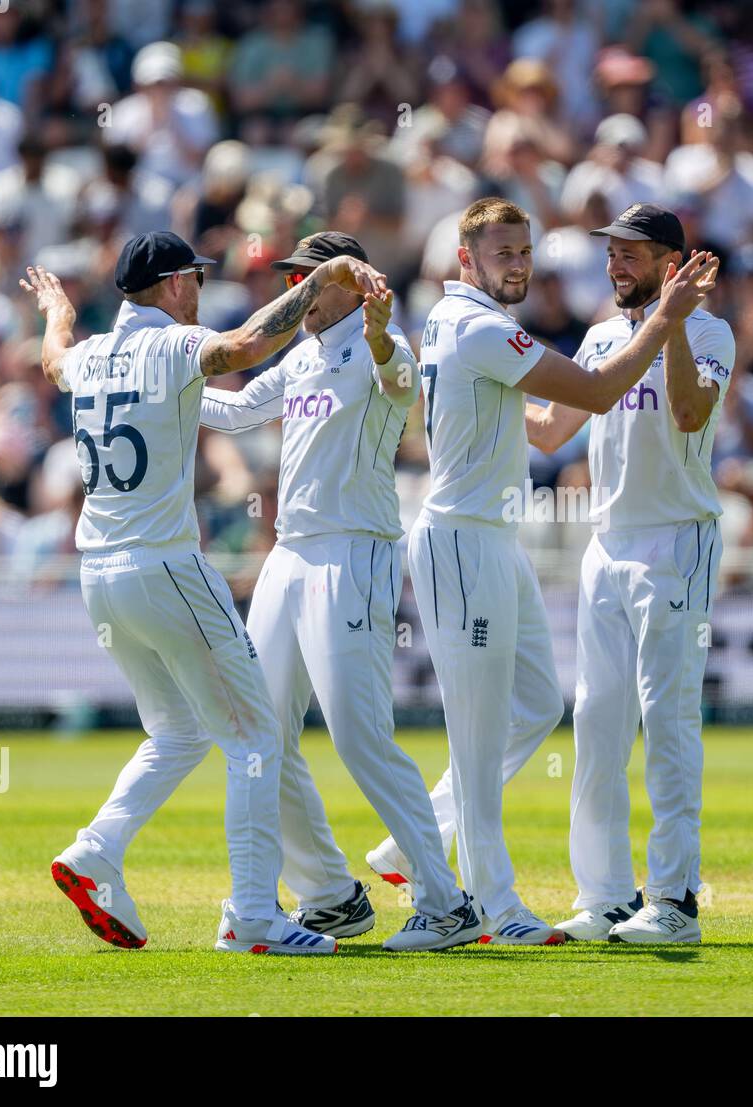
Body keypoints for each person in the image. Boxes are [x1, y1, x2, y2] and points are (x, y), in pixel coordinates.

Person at [22, 230, 387, 955]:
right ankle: (253, 914)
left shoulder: (89, 353)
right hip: (164, 566)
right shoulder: (169, 346)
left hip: (98, 576)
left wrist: (55, 310)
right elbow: (249, 346)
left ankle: (96, 850)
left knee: (182, 731)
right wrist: (325, 279)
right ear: (172, 285)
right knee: (255, 736)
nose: (201, 289)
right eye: (194, 277)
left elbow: (53, 358)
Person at [372, 197, 716, 944]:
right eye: (503, 254)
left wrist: (674, 322)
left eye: (525, 252)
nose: (520, 265)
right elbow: (587, 397)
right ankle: (488, 905)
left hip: (583, 540)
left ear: (669, 261)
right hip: (473, 539)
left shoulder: (468, 325)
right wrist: (666, 318)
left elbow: (557, 421)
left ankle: (422, 838)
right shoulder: (486, 325)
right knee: (489, 729)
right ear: (465, 260)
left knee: (543, 707)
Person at [197, 232, 482, 952]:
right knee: (257, 734)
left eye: (306, 279)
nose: (294, 293)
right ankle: (329, 893)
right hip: (289, 555)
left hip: (353, 554)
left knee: (359, 737)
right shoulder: (302, 353)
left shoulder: (381, 343)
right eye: (291, 278)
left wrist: (384, 337)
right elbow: (232, 413)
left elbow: (400, 384)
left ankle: (446, 902)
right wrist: (151, 386)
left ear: (348, 286)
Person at [526, 203, 735, 942]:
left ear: (669, 263)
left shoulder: (710, 331)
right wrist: (475, 392)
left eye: (630, 254)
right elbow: (552, 427)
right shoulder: (600, 335)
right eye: (610, 253)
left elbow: (686, 412)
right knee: (597, 724)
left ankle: (675, 900)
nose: (614, 265)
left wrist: (673, 321)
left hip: (676, 541)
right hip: (605, 544)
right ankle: (607, 895)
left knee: (669, 719)